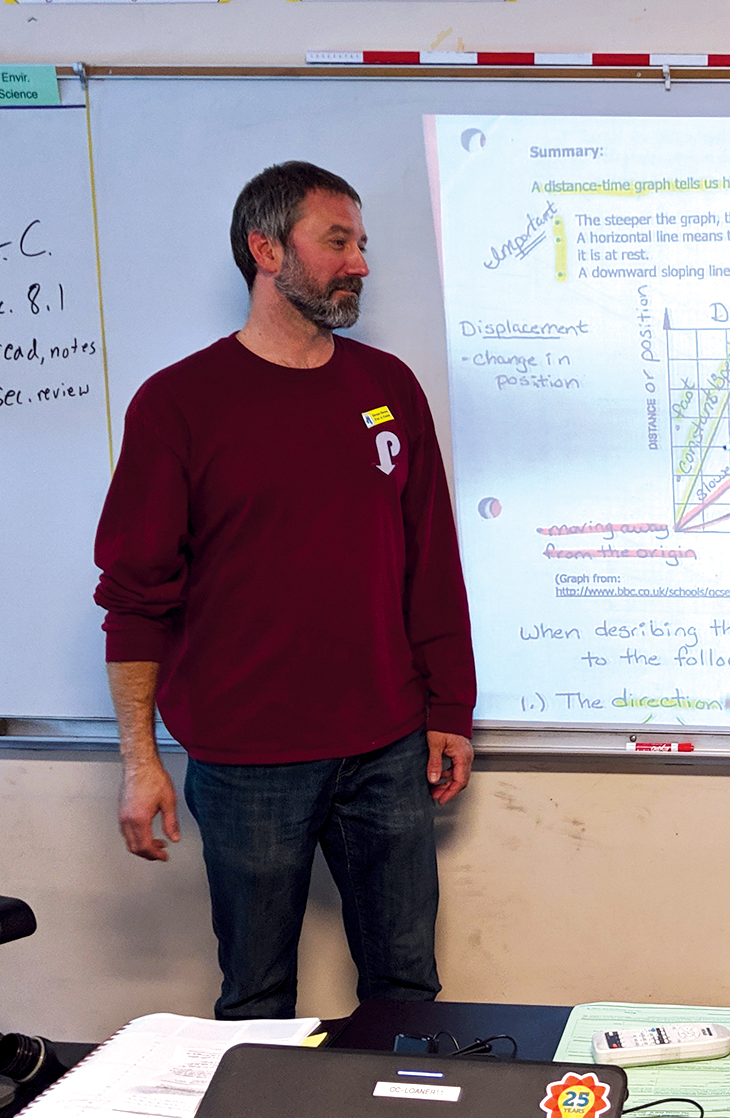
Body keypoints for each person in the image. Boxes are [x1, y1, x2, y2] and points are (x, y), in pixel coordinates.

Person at [93, 160, 475, 1018]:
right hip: (247, 758)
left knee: (408, 987)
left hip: (386, 747)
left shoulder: (387, 389)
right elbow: (135, 597)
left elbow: (431, 563)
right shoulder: (179, 404)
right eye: (337, 241)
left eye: (362, 243)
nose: (360, 263)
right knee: (258, 993)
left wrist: (450, 705)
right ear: (266, 248)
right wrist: (139, 760)